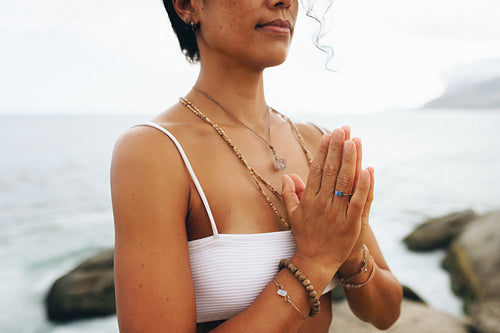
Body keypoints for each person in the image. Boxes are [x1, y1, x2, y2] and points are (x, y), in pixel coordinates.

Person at [110, 0, 403, 332]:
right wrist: (315, 261)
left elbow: (387, 312)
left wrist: (348, 255)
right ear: (186, 6)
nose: (284, 2)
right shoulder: (155, 152)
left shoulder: (314, 143)